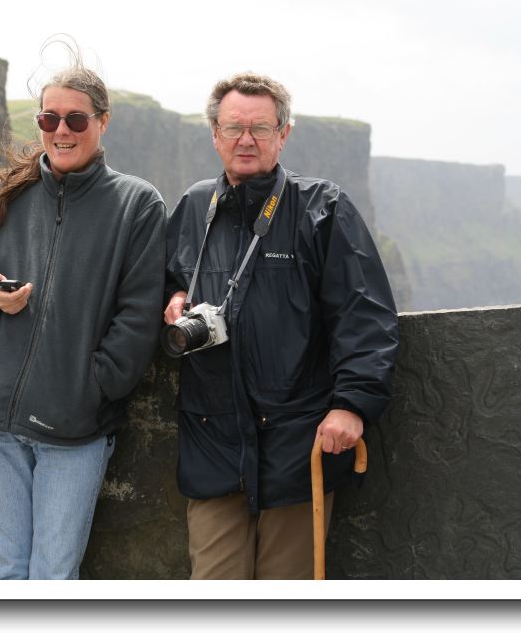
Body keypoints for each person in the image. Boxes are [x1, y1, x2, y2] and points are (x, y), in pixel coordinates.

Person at [163, 73, 399, 579]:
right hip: (213, 437)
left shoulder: (322, 208)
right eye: (232, 128)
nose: (245, 139)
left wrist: (352, 405)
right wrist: (174, 295)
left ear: (283, 134)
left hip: (298, 442)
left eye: (260, 128)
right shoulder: (191, 208)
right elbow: (161, 280)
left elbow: (365, 314)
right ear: (214, 134)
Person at [0, 60, 167, 579]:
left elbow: (139, 314)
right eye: (49, 119)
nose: (60, 131)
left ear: (103, 122)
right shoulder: (6, 194)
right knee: (2, 574)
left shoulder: (137, 204)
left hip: (74, 429)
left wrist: (93, 387)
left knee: (54, 578)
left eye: (76, 120)